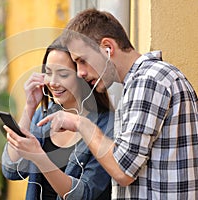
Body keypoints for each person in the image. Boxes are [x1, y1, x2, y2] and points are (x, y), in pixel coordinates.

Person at [38, 9, 198, 199]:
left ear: (108, 47)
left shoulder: (148, 80)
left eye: (82, 60)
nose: (80, 72)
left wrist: (81, 123)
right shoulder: (144, 80)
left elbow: (123, 170)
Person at [1, 37, 114, 199]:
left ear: (82, 76)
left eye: (62, 74)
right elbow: (12, 170)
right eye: (48, 73)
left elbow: (85, 194)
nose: (53, 83)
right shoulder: (43, 114)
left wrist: (39, 157)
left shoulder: (106, 125)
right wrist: (30, 107)